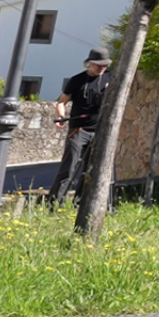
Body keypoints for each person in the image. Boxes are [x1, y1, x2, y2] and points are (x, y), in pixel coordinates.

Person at [50, 48, 110, 204]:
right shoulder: (77, 80)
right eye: (98, 65)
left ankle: (80, 204)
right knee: (69, 168)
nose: (102, 68)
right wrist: (61, 117)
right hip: (79, 130)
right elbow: (62, 102)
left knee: (89, 170)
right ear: (90, 63)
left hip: (99, 131)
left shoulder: (111, 78)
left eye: (105, 65)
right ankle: (55, 203)